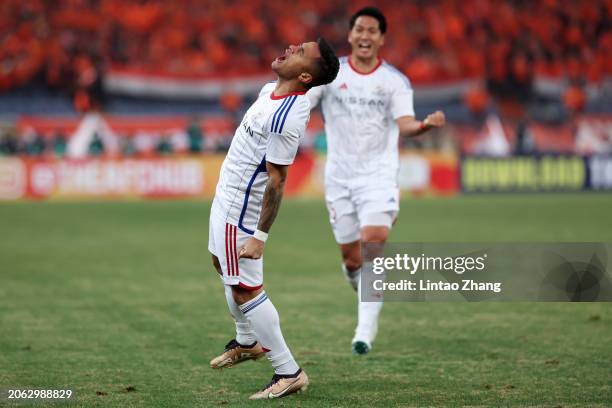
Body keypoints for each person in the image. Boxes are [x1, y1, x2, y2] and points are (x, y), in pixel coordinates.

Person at [306, 7, 446, 355]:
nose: (365, 36)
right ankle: (366, 288)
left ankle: (364, 331)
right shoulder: (330, 74)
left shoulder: (394, 82)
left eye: (372, 31)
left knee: (375, 241)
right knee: (353, 259)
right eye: (360, 29)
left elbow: (406, 125)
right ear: (350, 35)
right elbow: (302, 102)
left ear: (382, 38)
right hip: (339, 177)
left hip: (378, 176)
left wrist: (425, 126)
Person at [208, 38, 339, 400]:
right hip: (225, 197)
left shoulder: (287, 116)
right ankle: (248, 341)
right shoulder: (270, 90)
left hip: (240, 211)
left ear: (305, 75)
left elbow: (278, 180)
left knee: (246, 288)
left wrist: (260, 236)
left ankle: (288, 371)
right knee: (221, 264)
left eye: (300, 52)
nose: (291, 46)